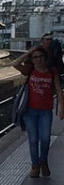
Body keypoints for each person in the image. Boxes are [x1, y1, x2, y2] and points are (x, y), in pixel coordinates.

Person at [12, 44, 64, 177]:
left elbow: (58, 89)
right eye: (35, 57)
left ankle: (44, 161)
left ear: (45, 57)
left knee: (45, 138)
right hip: (30, 111)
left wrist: (61, 106)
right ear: (32, 59)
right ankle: (35, 165)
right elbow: (15, 63)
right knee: (33, 139)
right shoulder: (29, 70)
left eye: (40, 56)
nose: (38, 59)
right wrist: (30, 51)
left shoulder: (52, 72)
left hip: (46, 111)